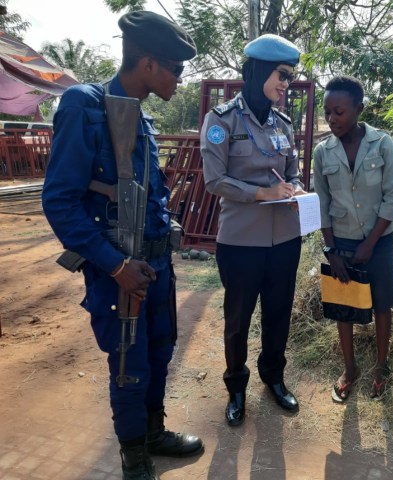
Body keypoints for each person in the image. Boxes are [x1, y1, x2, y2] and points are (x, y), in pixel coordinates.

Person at [42, 11, 203, 480]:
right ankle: (135, 458)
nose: (179, 78)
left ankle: (153, 433)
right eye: (175, 68)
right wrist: (114, 266)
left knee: (160, 351)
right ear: (149, 63)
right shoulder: (84, 106)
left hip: (155, 267)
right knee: (130, 363)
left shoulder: (144, 119)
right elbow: (60, 201)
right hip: (120, 272)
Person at [200, 34, 305, 427]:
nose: (285, 84)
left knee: (278, 314)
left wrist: (295, 187)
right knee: (238, 318)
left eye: (289, 77)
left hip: (284, 240)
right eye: (281, 75)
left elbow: (291, 171)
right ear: (259, 70)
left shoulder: (283, 122)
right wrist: (262, 193)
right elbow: (215, 180)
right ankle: (236, 387)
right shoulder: (221, 120)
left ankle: (274, 379)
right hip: (241, 240)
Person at [313, 75, 393, 402]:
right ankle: (349, 369)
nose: (332, 118)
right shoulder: (322, 152)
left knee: (381, 305)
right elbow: (320, 203)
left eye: (339, 111)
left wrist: (370, 243)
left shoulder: (381, 145)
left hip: (378, 241)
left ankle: (381, 367)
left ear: (358, 109)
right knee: (343, 307)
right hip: (342, 243)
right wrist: (330, 249)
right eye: (327, 112)